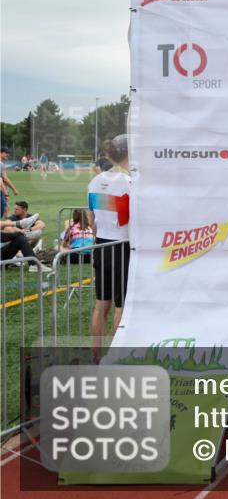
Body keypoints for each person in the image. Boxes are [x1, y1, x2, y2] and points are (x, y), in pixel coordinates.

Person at [87, 135, 131, 355]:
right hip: (122, 246)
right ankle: (116, 358)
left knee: (100, 306)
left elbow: (91, 217)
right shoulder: (129, 181)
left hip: (101, 245)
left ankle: (96, 356)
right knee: (120, 307)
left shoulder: (95, 181)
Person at [0, 146, 18, 218]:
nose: (8, 155)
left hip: (2, 191)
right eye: (6, 153)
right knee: (6, 211)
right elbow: (3, 179)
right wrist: (8, 192)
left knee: (6, 210)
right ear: (1, 153)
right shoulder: (0, 164)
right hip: (2, 191)